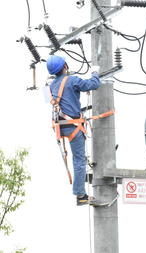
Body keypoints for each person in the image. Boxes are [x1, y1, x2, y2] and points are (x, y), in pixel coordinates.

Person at [47, 55, 100, 206]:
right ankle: (80, 195)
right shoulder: (72, 80)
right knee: (79, 160)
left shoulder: (50, 87)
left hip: (60, 126)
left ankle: (80, 191)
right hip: (73, 126)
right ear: (65, 66)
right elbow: (93, 84)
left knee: (78, 159)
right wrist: (95, 73)